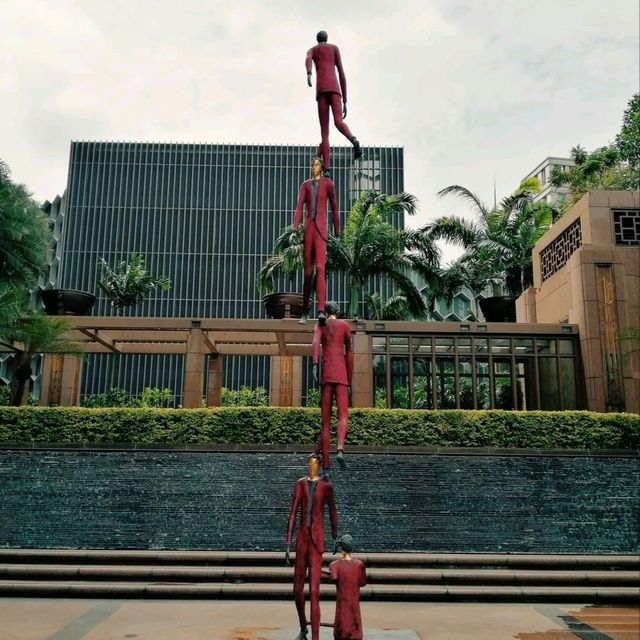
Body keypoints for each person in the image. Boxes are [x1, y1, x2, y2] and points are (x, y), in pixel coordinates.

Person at [285, 453, 338, 640]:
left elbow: (332, 510)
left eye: (315, 464)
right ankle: (303, 626)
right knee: (297, 589)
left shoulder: (326, 486)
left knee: (314, 591)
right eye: (310, 464)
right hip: (302, 540)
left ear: (320, 465)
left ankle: (315, 636)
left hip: (316, 541)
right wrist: (288, 543)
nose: (312, 467)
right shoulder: (300, 484)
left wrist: (334, 536)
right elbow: (292, 513)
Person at [306, 30, 362, 175]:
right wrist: (345, 100)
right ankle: (353, 139)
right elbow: (342, 73)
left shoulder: (313, 50)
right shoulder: (334, 49)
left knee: (325, 133)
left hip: (322, 89)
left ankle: (327, 169)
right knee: (338, 121)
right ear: (327, 38)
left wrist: (309, 73)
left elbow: (308, 59)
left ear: (317, 39)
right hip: (335, 89)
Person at [293, 157, 339, 325]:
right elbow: (299, 207)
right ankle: (305, 310)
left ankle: (320, 311)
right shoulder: (305, 185)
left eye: (317, 164)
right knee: (307, 273)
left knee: (320, 268)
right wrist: (295, 228)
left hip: (321, 229)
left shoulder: (328, 184)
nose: (314, 167)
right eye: (312, 165)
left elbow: (334, 207)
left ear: (321, 166)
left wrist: (337, 229)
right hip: (309, 230)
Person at [312, 301, 353, 473]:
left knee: (326, 423)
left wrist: (315, 364)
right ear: (337, 311)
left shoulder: (321, 325)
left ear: (326, 311)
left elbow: (315, 344)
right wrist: (349, 379)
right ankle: (341, 449)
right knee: (343, 415)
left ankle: (326, 466)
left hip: (327, 374)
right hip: (341, 375)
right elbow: (350, 353)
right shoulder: (345, 326)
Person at [328, 534, 367, 640]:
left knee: (341, 625)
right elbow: (363, 582)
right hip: (354, 605)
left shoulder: (334, 565)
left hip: (342, 605)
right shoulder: (359, 565)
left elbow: (333, 577)